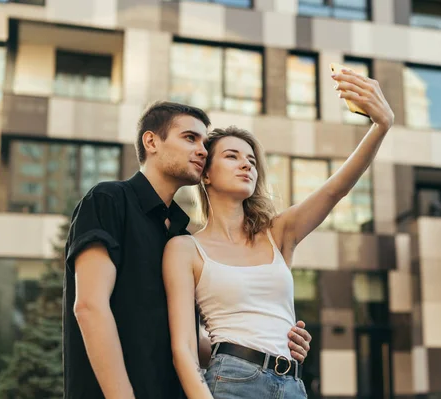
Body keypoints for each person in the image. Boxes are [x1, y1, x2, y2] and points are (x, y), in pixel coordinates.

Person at [162, 68, 394, 398]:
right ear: (207, 175)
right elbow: (184, 347)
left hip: (292, 383)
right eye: (232, 156)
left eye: (252, 161)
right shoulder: (185, 249)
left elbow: (334, 190)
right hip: (231, 381)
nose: (246, 165)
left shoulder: (278, 233)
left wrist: (380, 127)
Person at [62, 101, 312, 399]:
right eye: (190, 138)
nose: (203, 151)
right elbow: (89, 307)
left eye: (205, 144)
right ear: (151, 141)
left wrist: (272, 347)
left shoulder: (180, 236)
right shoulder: (109, 200)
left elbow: (184, 338)